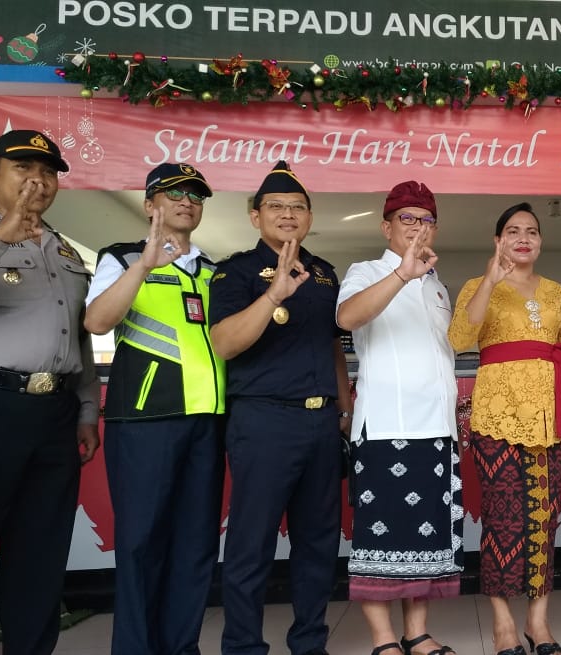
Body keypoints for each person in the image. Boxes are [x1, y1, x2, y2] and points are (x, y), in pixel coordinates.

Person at [208, 161, 352, 655]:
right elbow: (225, 343)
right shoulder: (235, 271)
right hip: (264, 420)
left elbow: (332, 346)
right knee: (252, 544)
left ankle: (309, 641)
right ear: (255, 216)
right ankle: (244, 646)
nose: (287, 215)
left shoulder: (325, 274)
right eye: (276, 207)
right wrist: (273, 294)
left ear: (309, 216)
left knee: (318, 543)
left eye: (297, 207)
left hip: (321, 423)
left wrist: (344, 407)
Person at [84, 163, 225, 655]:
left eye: (196, 195)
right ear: (150, 205)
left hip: (208, 423)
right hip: (145, 421)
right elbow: (97, 321)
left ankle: (181, 646)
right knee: (142, 545)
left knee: (196, 547)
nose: (187, 201)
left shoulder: (214, 270)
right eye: (174, 193)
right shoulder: (121, 258)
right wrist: (146, 265)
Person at [448, 203, 561, 655]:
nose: (523, 237)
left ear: (541, 241)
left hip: (550, 416)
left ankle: (538, 623)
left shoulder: (554, 292)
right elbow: (460, 339)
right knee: (503, 520)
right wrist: (490, 278)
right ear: (498, 240)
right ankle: (504, 624)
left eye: (531, 231)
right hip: (497, 416)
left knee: (544, 520)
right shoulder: (477, 285)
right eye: (513, 230)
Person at [336, 181, 463, 655]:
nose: (417, 228)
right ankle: (384, 639)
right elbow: (347, 318)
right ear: (386, 226)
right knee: (381, 534)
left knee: (426, 537)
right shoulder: (366, 270)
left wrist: (420, 277)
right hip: (388, 427)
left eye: (426, 219)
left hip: (437, 429)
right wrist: (401, 276)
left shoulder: (437, 285)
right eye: (407, 219)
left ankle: (418, 633)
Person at [0, 130, 100, 655]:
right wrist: (1, 237)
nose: (37, 180)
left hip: (56, 412)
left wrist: (85, 408)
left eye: (48, 171)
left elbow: (78, 334)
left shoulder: (65, 251)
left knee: (39, 551)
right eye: (22, 168)